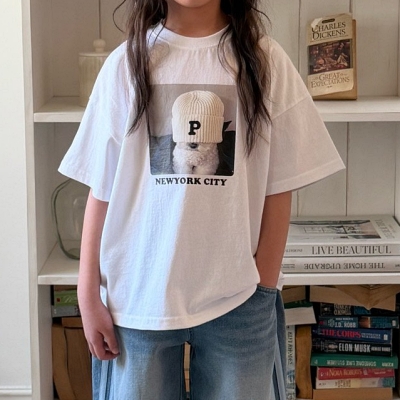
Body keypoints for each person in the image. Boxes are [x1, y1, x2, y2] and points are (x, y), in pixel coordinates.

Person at [59, 0, 345, 399]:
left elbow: (280, 185)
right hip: (138, 297)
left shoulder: (266, 62)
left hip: (240, 298)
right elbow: (101, 186)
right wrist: (88, 293)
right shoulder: (126, 63)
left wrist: (263, 284)